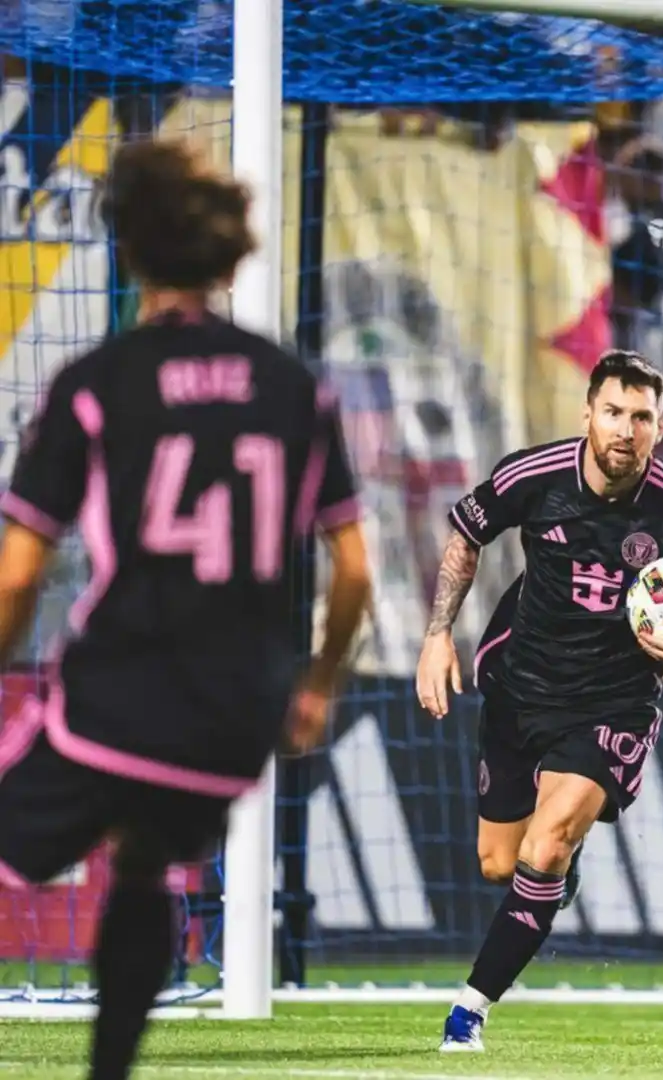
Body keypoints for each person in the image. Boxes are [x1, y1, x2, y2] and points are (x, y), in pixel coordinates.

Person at [0, 140, 370, 1079]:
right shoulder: (298, 389)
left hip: (119, 694)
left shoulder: (97, 384)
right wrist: (318, 685)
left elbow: (16, 577)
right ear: (229, 256)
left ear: (128, 249)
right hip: (236, 719)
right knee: (144, 862)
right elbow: (355, 571)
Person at [415, 349, 663, 1052]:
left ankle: (469, 1011)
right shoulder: (535, 475)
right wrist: (436, 636)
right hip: (520, 687)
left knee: (546, 845)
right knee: (501, 864)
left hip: (614, 702)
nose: (624, 430)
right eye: (613, 412)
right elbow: (467, 533)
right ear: (588, 413)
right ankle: (557, 872)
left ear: (659, 428)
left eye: (641, 418)